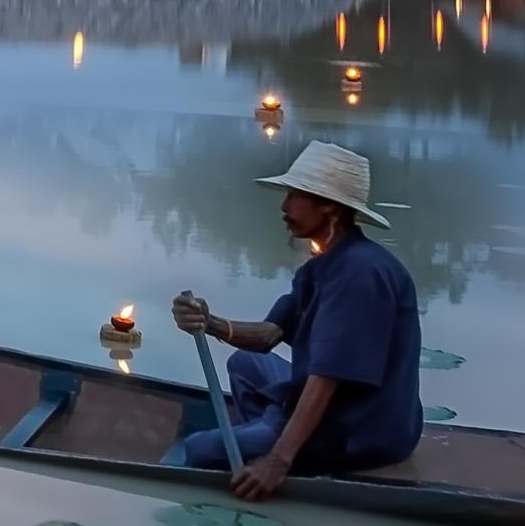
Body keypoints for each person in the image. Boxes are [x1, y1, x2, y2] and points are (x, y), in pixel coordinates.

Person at [172, 141, 422, 501]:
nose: (284, 206)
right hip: (335, 409)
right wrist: (209, 322)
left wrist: (278, 460)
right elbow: (269, 335)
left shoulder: (359, 274)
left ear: (330, 208)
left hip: (359, 430)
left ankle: (273, 444)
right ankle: (265, 432)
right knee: (246, 362)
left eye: (296, 195)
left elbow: (327, 377)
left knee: (197, 449)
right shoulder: (324, 265)